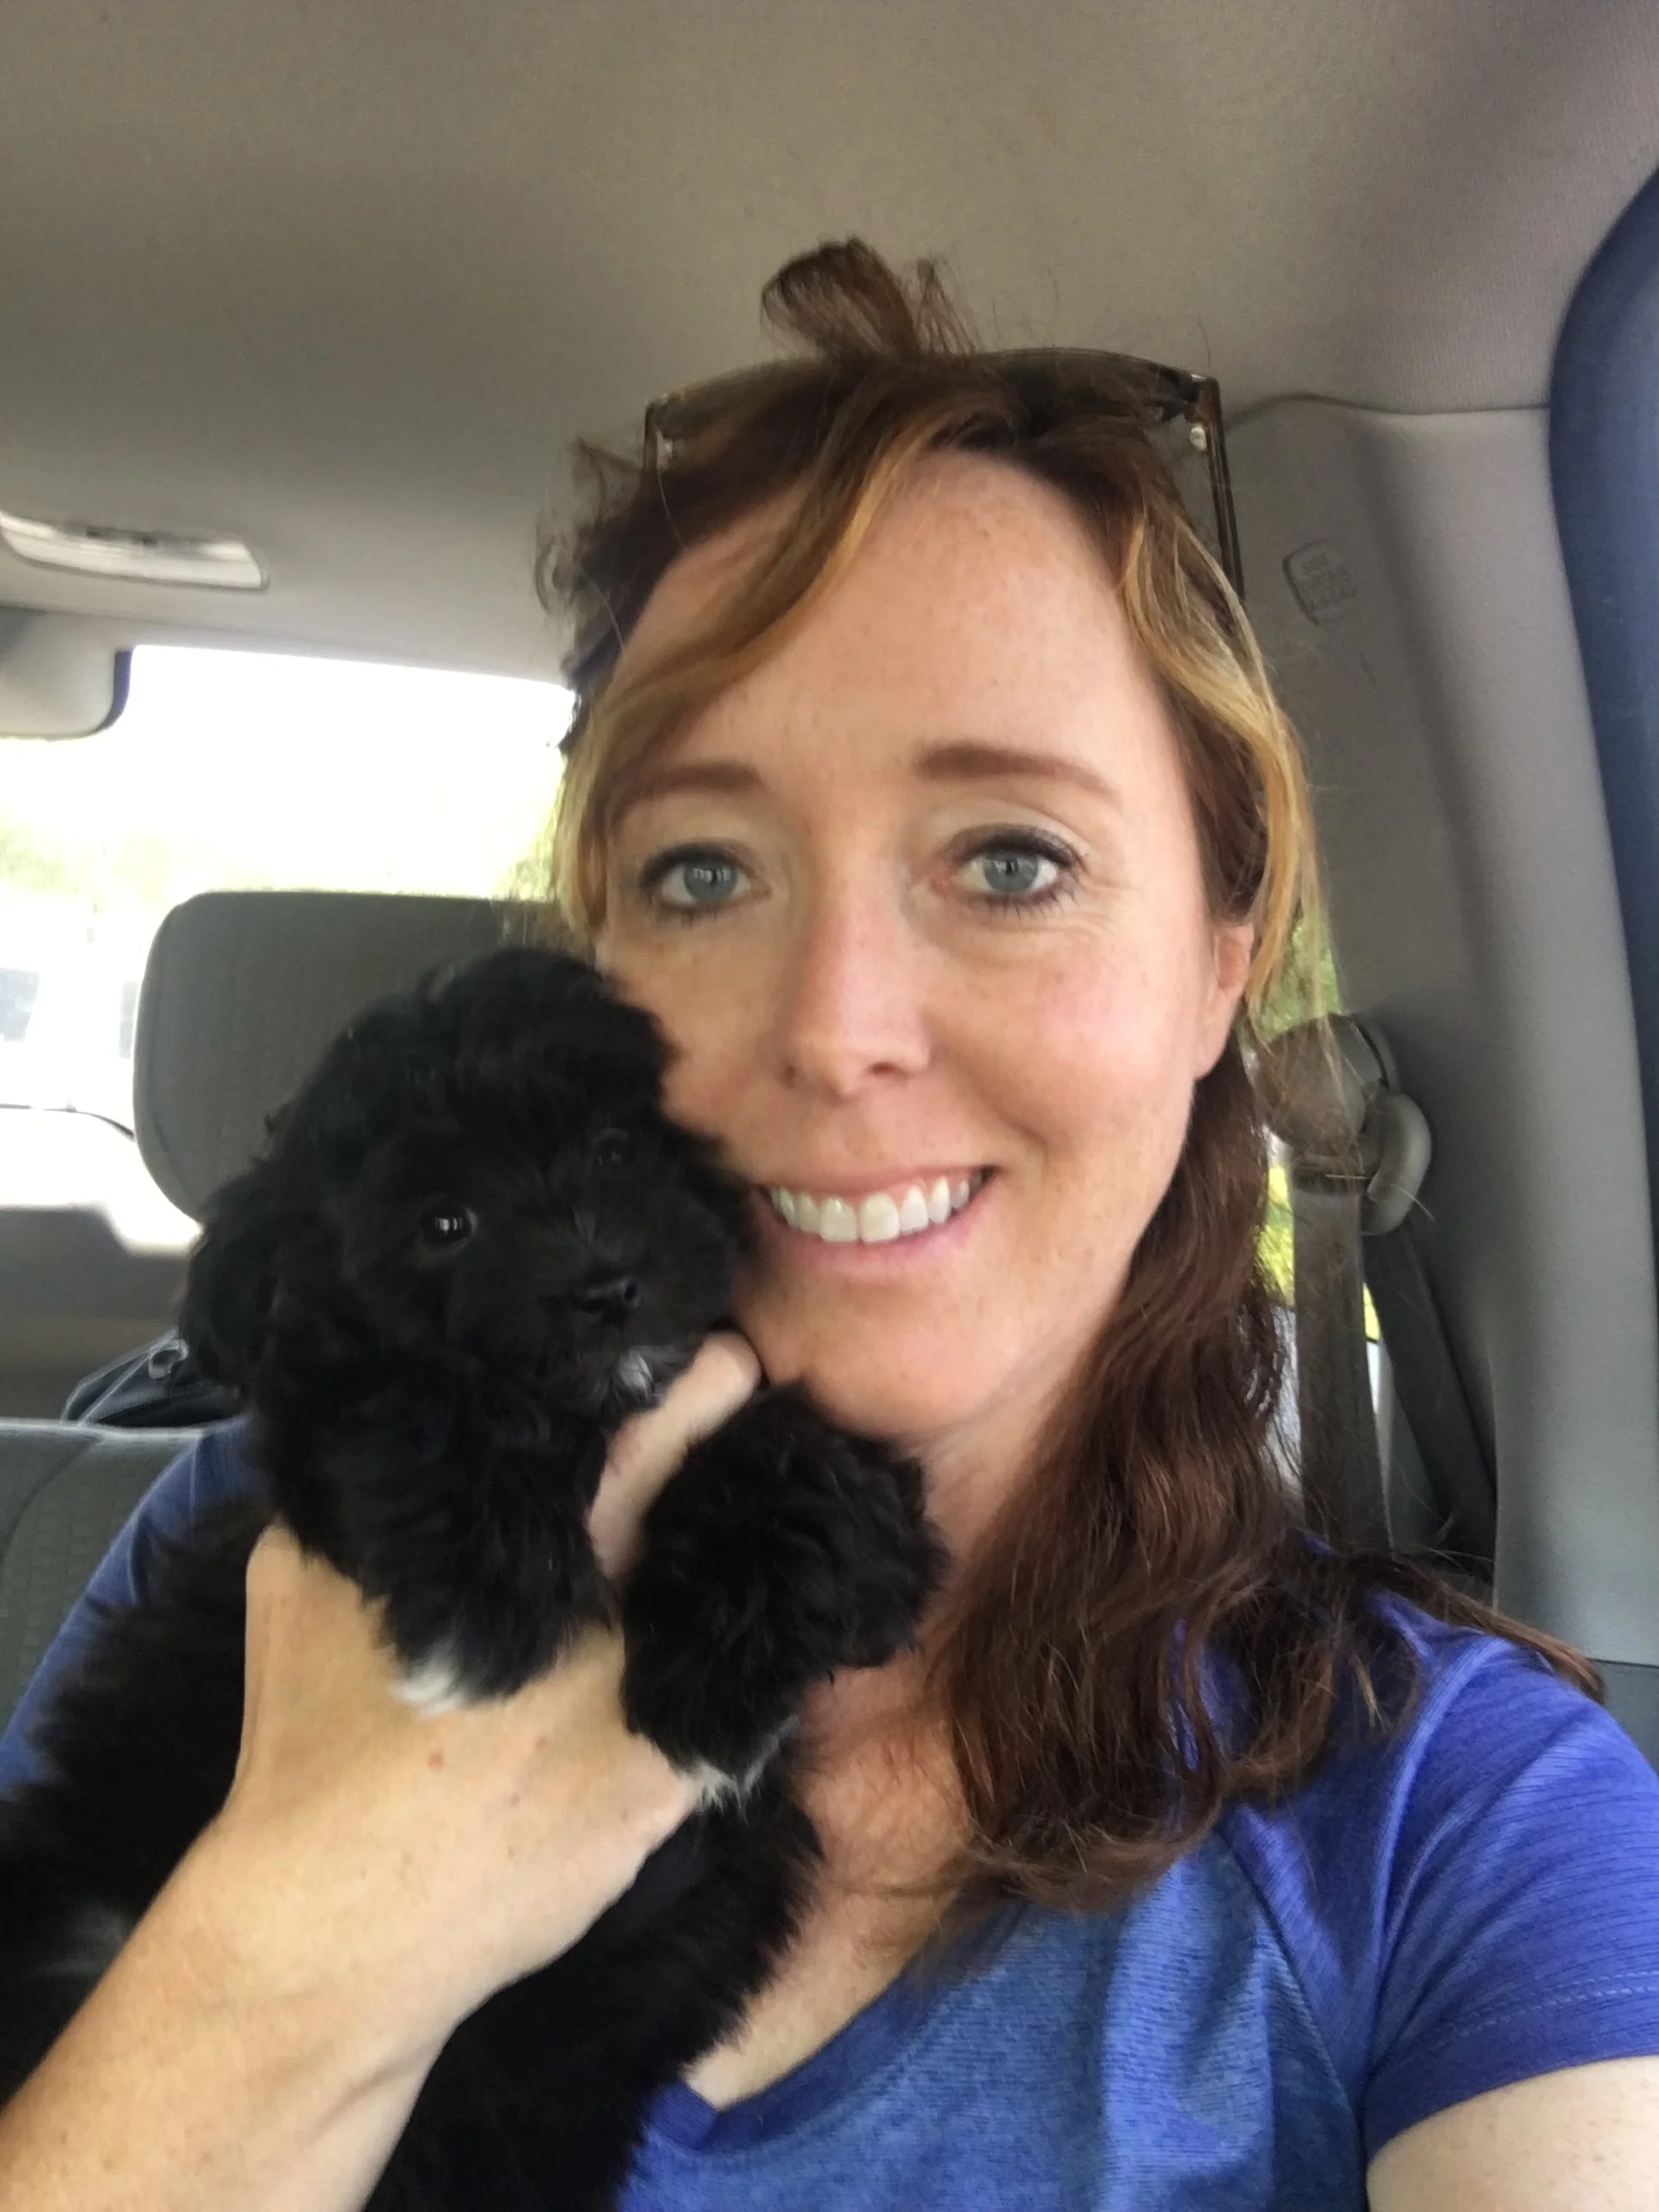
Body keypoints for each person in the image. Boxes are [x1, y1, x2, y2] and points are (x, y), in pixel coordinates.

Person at [2, 240, 1657, 2210]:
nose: (838, 1026)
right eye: (704, 871)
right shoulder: (268, 1548)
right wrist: (306, 1946)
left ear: (1227, 958)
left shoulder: (1457, 1819)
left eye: (1013, 859)